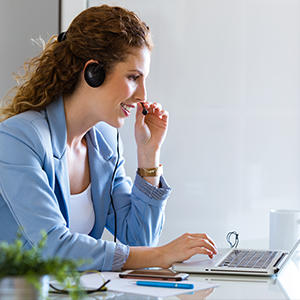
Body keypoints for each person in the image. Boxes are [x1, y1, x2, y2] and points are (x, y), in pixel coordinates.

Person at [0, 5, 217, 271]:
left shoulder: (105, 142)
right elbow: (53, 247)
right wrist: (162, 255)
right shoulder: (18, 138)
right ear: (94, 72)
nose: (142, 95)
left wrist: (149, 155)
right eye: (133, 77)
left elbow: (139, 239)